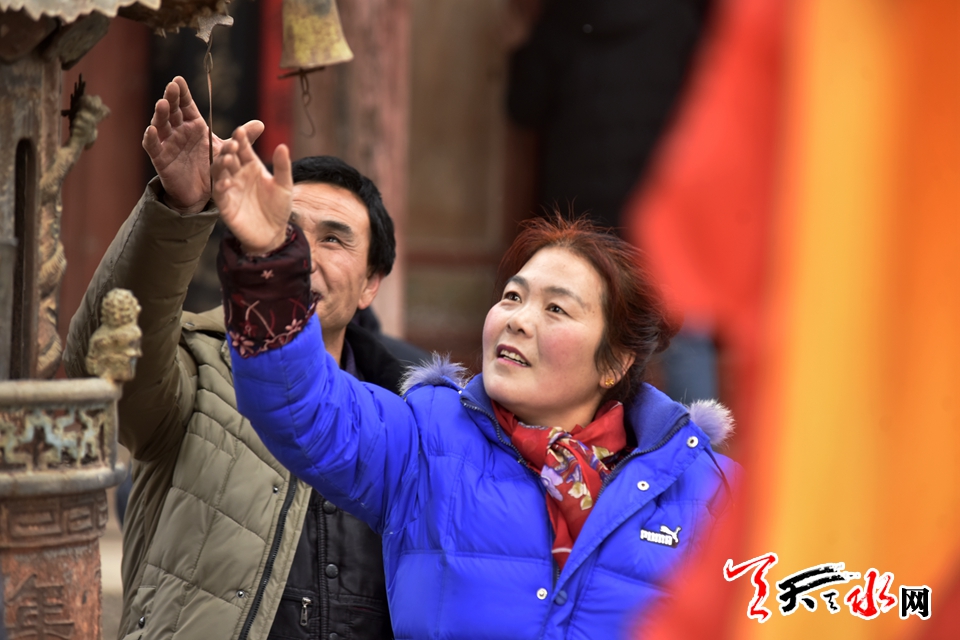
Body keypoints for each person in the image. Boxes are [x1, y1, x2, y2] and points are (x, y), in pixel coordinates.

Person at [208, 128, 738, 637]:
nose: (518, 320)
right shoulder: (425, 439)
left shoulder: (708, 488)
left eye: (556, 308)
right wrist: (268, 266)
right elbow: (303, 406)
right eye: (512, 297)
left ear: (615, 362)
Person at [64, 77, 400, 640]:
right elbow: (103, 372)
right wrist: (178, 210)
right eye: (284, 232)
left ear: (371, 284)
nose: (302, 257)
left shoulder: (404, 412)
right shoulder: (201, 369)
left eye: (334, 239)